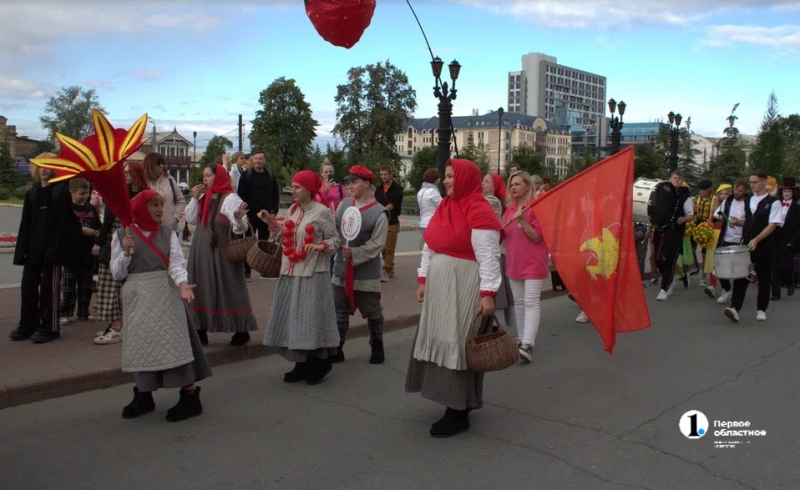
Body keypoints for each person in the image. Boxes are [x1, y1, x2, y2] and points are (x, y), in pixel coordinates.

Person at [405, 159, 502, 438]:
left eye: (451, 176)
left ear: (466, 179)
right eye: (445, 176)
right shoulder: (445, 207)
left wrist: (488, 295)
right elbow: (430, 246)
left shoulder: (479, 210)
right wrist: (423, 280)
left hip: (464, 286)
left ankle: (458, 411)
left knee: (458, 343)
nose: (446, 181)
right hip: (441, 287)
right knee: (443, 337)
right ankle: (454, 403)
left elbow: (489, 258)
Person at [111, 190, 211, 421]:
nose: (159, 210)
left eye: (161, 206)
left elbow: (176, 264)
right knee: (143, 347)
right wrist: (125, 253)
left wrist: (183, 284)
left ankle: (189, 397)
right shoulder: (121, 235)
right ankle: (144, 395)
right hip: (138, 297)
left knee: (174, 346)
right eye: (153, 206)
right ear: (139, 208)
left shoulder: (168, 234)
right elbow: (117, 274)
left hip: (165, 296)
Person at [257, 170, 340, 385]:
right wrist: (271, 222)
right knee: (295, 318)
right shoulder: (293, 210)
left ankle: (319, 361)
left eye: (297, 187)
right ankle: (301, 362)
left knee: (310, 318)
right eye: (292, 186)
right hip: (291, 271)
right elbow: (285, 236)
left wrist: (321, 246)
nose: (292, 190)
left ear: (309, 190)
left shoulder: (322, 212)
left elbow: (335, 240)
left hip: (313, 272)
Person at [10, 158, 83, 344]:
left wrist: (57, 249)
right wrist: (22, 250)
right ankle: (27, 324)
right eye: (40, 166)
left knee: (49, 290)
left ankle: (50, 327)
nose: (43, 170)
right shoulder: (32, 193)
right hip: (33, 250)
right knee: (28, 287)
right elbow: (25, 223)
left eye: (48, 166)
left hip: (52, 250)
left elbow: (65, 223)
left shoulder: (60, 191)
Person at [186, 163, 258, 345]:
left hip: (220, 254)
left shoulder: (230, 199)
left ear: (218, 177)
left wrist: (239, 219)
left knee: (229, 288)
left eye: (208, 175)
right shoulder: (204, 197)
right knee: (200, 288)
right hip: (200, 253)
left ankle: (241, 329)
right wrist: (194, 199)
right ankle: (200, 329)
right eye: (203, 176)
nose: (204, 179)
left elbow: (239, 227)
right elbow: (191, 219)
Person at [330, 165, 389, 364]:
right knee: (339, 310)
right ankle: (337, 347)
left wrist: (355, 253)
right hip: (341, 268)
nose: (350, 185)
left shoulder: (379, 213)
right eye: (349, 182)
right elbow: (336, 230)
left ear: (366, 184)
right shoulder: (345, 204)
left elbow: (377, 244)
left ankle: (377, 343)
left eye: (354, 182)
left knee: (372, 311)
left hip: (366, 272)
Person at [93, 161, 147, 345]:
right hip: (117, 239)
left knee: (132, 285)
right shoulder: (118, 193)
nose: (125, 175)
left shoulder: (144, 194)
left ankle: (124, 325)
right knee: (110, 283)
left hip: (137, 240)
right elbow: (108, 220)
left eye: (128, 172)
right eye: (123, 172)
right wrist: (100, 242)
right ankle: (116, 325)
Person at [724, 171, 782, 323]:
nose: (752, 185)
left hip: (765, 248)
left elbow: (772, 225)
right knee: (743, 276)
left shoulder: (773, 202)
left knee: (763, 278)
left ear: (764, 182)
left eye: (754, 182)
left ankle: (761, 309)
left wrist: (757, 239)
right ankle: (735, 308)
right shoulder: (748, 199)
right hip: (747, 247)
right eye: (751, 182)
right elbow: (749, 222)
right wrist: (739, 223)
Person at [503, 171, 548, 362]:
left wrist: (522, 221)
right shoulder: (510, 209)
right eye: (511, 184)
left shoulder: (535, 208)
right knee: (519, 302)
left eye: (517, 184)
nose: (513, 187)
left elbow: (537, 237)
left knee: (530, 302)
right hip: (514, 262)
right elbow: (504, 233)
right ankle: (521, 339)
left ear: (528, 186)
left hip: (533, 263)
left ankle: (528, 344)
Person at [59, 178, 102, 325]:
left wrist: (97, 236)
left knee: (86, 285)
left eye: (87, 193)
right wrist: (83, 230)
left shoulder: (90, 209)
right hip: (71, 252)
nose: (84, 196)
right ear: (72, 192)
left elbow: (98, 225)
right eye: (81, 193)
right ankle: (65, 312)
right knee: (69, 286)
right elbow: (64, 227)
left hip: (87, 253)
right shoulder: (67, 208)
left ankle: (84, 311)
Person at [237, 150, 280, 281]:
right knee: (249, 242)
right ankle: (246, 271)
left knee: (264, 243)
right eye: (255, 159)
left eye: (260, 159)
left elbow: (275, 195)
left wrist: (274, 212)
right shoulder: (246, 175)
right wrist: (243, 212)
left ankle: (264, 270)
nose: (258, 161)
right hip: (250, 215)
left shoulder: (270, 176)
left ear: (264, 161)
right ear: (252, 160)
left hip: (265, 216)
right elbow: (240, 195)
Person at [482, 173, 516, 330]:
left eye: (487, 181)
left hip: (493, 251)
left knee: (495, 290)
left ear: (495, 186)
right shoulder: (483, 200)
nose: (483, 183)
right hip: (490, 250)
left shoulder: (492, 201)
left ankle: (495, 327)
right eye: (483, 180)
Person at [654, 172, 695, 301]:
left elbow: (690, 215)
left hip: (675, 232)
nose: (677, 180)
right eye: (674, 178)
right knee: (657, 259)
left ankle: (664, 289)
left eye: (679, 178)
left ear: (682, 181)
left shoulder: (684, 197)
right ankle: (670, 280)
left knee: (669, 260)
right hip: (661, 230)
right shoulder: (661, 194)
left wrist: (683, 219)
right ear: (670, 179)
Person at [713, 180, 747, 306]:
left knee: (738, 270)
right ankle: (727, 289)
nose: (737, 193)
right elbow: (717, 213)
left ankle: (736, 297)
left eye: (740, 191)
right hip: (726, 238)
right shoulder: (729, 201)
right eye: (735, 190)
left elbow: (751, 220)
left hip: (740, 240)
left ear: (745, 192)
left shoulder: (748, 203)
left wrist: (740, 221)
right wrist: (724, 218)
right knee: (720, 267)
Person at [374, 164, 404, 282]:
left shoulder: (397, 189)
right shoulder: (379, 189)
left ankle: (386, 270)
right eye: (381, 175)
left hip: (391, 221)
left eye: (385, 174)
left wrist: (382, 211)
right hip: (380, 221)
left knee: (389, 247)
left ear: (390, 174)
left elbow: (393, 203)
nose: (383, 177)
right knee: (383, 248)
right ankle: (390, 267)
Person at [143, 152, 186, 233]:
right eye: (158, 164)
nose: (161, 166)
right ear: (150, 165)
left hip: (170, 229)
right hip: (148, 230)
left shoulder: (169, 179)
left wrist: (175, 219)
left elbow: (180, 201)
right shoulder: (143, 183)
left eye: (162, 163)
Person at [772, 177, 800, 298]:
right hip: (775, 238)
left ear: (793, 193)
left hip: (788, 240)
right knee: (774, 267)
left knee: (785, 266)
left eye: (789, 191)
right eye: (784, 191)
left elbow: (798, 227)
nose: (786, 194)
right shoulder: (776, 205)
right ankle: (776, 294)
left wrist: (792, 241)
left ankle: (790, 282)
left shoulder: (797, 208)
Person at [417, 169, 442, 250]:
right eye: (438, 178)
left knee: (426, 250)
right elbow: (442, 206)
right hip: (432, 223)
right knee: (433, 249)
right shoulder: (433, 191)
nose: (439, 180)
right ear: (435, 179)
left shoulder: (421, 191)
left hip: (423, 223)